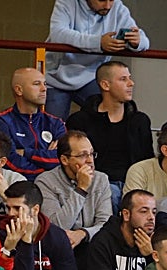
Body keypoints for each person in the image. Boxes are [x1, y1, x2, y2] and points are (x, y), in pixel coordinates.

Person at [44, 0, 148, 118]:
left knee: (112, 117)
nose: (108, 6)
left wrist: (137, 42)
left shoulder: (117, 7)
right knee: (52, 128)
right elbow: (58, 34)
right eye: (102, 0)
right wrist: (98, 42)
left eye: (111, 0)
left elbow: (144, 40)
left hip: (91, 77)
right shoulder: (66, 2)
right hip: (55, 79)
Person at [64, 61, 154, 194]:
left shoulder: (140, 120)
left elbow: (147, 161)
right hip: (96, 185)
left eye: (130, 78)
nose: (131, 83)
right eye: (123, 79)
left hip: (135, 185)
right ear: (105, 85)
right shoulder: (80, 120)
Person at [36, 129, 113, 255]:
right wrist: (81, 189)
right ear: (64, 160)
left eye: (91, 154)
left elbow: (106, 225)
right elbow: (56, 227)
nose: (90, 160)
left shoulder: (101, 179)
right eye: (83, 155)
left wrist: (82, 233)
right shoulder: (46, 182)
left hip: (93, 245)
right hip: (59, 249)